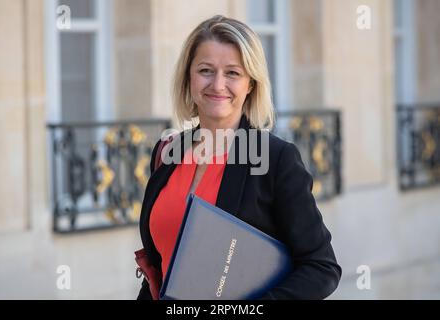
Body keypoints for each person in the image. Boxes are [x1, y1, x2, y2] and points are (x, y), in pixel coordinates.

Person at [137, 15, 341, 300]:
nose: (218, 85)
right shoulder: (168, 152)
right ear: (189, 78)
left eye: (233, 73)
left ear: (251, 84)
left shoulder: (276, 159)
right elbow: (159, 268)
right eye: (206, 70)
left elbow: (322, 267)